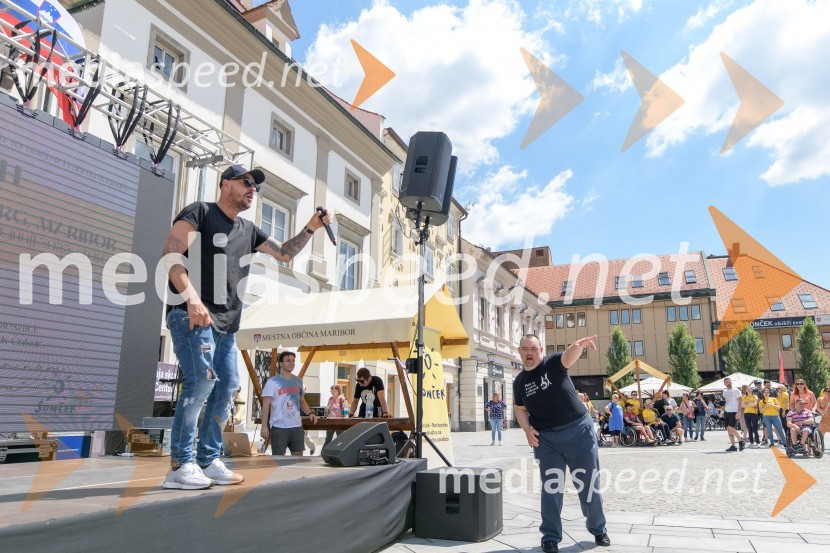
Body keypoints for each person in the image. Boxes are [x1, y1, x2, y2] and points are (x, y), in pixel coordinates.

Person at [161, 164, 331, 489]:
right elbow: (171, 253)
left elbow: (284, 255)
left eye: (256, 186)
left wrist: (311, 227)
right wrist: (192, 299)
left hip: (226, 325)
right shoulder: (200, 212)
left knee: (227, 387)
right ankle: (180, 465)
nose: (253, 189)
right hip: (191, 314)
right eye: (247, 182)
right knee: (200, 383)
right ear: (226, 184)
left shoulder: (248, 230)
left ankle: (207, 460)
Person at [513, 334, 610, 552]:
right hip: (546, 440)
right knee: (551, 488)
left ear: (541, 351)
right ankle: (550, 537)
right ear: (519, 352)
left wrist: (577, 346)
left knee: (588, 484)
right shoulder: (519, 382)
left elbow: (568, 357)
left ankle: (598, 528)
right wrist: (527, 429)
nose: (529, 353)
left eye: (533, 349)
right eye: (525, 349)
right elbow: (520, 409)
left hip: (578, 432)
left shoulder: (553, 364)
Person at [260, 351, 318, 456]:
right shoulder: (272, 382)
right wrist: (264, 426)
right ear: (281, 364)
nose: (291, 363)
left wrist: (310, 413)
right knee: (279, 460)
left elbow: (301, 401)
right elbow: (265, 406)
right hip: (279, 427)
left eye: (293, 361)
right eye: (288, 361)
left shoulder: (298, 381)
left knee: (297, 460)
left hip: (297, 426)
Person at [722, 377, 745, 452]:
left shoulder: (736, 391)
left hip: (734, 411)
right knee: (728, 429)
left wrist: (739, 412)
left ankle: (741, 440)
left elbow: (740, 402)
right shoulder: (724, 391)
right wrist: (723, 407)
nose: (728, 383)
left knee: (731, 428)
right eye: (726, 382)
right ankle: (733, 446)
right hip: (726, 411)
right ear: (724, 384)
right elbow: (726, 401)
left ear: (731, 382)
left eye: (729, 382)